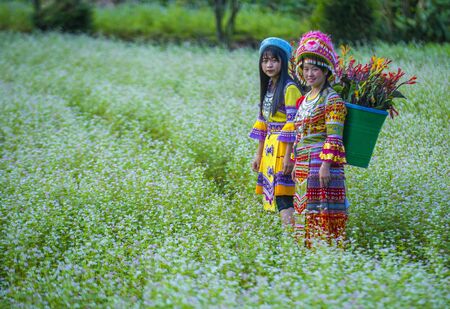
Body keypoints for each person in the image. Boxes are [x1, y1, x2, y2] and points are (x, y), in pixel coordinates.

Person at [292, 31, 348, 246]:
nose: (309, 74)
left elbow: (334, 136)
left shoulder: (332, 99)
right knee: (305, 211)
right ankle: (306, 253)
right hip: (303, 164)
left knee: (321, 210)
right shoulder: (305, 98)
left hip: (321, 164)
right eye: (305, 69)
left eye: (315, 69)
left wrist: (326, 165)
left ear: (325, 71)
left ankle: (326, 253)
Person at [249, 37, 302, 227]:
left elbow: (293, 123)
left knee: (284, 197)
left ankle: (291, 239)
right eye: (265, 60)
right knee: (276, 196)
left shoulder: (290, 88)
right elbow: (263, 124)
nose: (269, 65)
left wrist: (289, 157)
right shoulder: (269, 87)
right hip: (271, 150)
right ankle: (290, 238)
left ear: (283, 62)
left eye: (274, 60)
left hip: (283, 150)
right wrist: (259, 155)